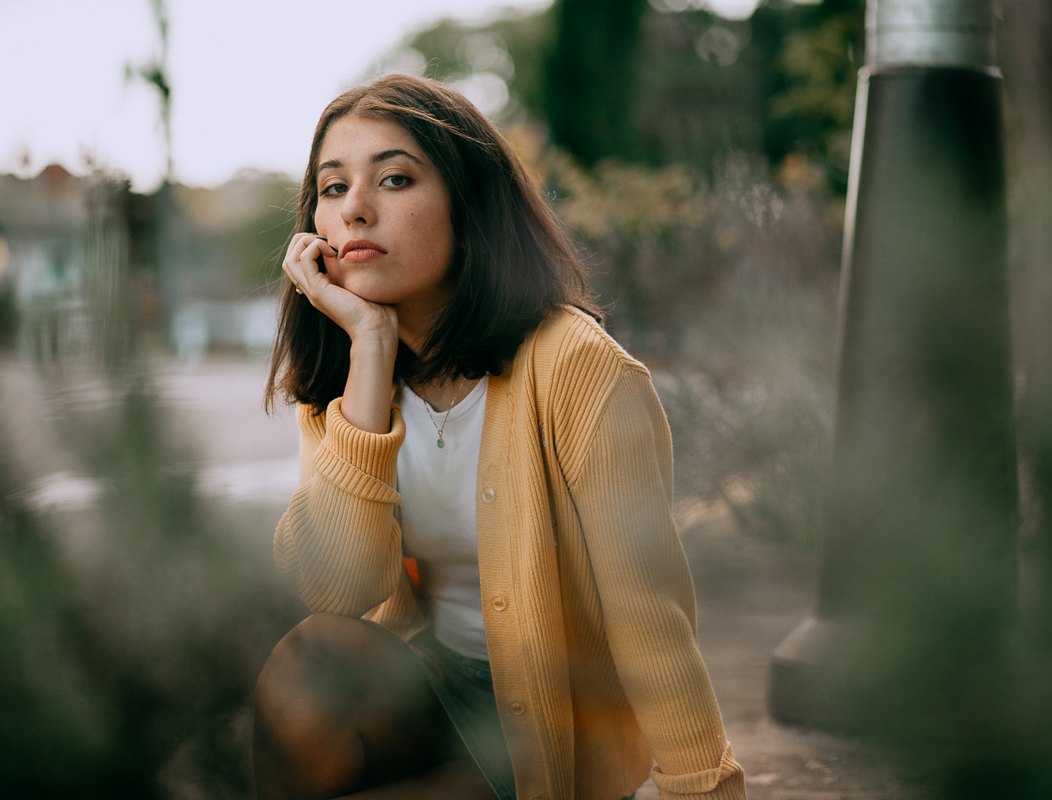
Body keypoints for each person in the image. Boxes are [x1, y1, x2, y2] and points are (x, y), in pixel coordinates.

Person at [255, 73, 746, 800]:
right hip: (428, 700)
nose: (355, 208)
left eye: (393, 179)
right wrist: (369, 346)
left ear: (469, 202)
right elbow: (337, 589)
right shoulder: (346, 381)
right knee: (311, 661)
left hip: (552, 732)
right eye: (332, 188)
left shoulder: (577, 368)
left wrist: (703, 786)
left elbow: (648, 612)